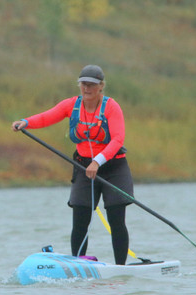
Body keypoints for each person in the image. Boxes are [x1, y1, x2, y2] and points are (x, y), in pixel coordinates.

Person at [12, 65, 134, 265]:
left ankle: (121, 267)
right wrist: (26, 122)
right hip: (83, 167)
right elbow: (47, 116)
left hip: (114, 167)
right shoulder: (72, 105)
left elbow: (118, 140)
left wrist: (98, 161)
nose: (87, 88)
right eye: (84, 84)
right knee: (80, 220)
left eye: (92, 85)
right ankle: (78, 265)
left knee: (116, 219)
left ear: (101, 86)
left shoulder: (112, 107)